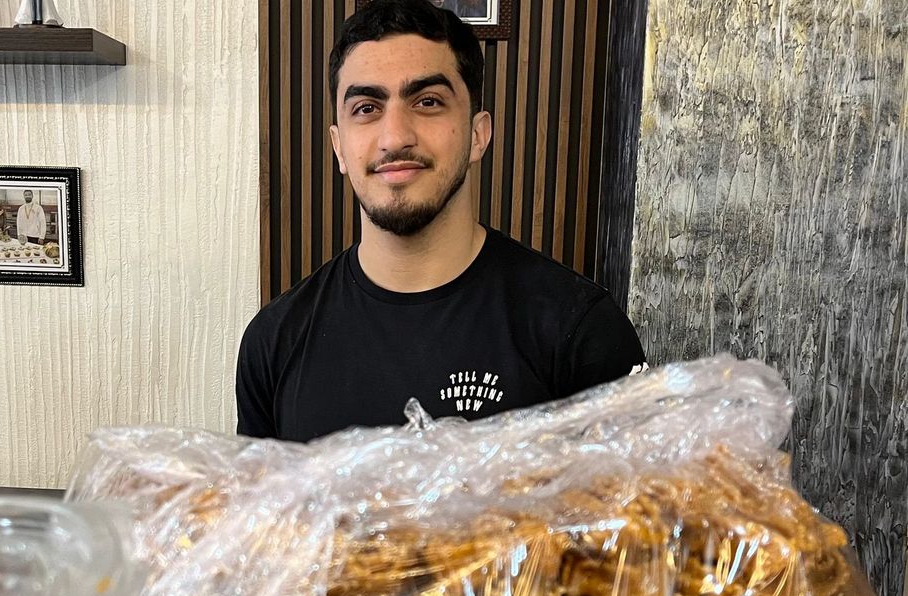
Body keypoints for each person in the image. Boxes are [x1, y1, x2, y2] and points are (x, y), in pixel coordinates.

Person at [235, 0, 645, 442]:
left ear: (477, 134)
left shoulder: (580, 331)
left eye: (428, 101)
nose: (395, 137)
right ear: (339, 147)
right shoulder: (273, 342)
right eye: (366, 108)